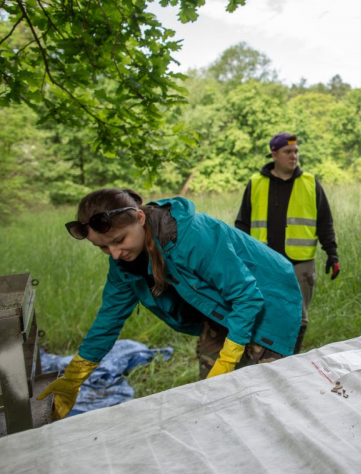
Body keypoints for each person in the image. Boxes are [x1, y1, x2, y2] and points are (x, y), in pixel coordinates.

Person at [38, 189, 302, 419]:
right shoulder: (123, 263)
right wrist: (74, 377)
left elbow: (246, 295)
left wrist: (229, 356)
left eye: (119, 241)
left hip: (270, 299)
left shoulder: (191, 237)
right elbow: (108, 319)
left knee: (261, 393)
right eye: (103, 248)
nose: (115, 254)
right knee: (216, 394)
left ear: (140, 218)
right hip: (222, 308)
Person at [236, 133, 339, 354]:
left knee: (298, 316)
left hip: (299, 263)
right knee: (262, 313)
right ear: (274, 154)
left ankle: (291, 357)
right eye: (288, 152)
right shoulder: (255, 183)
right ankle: (262, 359)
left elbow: (325, 222)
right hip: (263, 263)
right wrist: (238, 257)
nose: (294, 156)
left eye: (296, 151)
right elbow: (242, 225)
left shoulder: (310, 183)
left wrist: (332, 253)